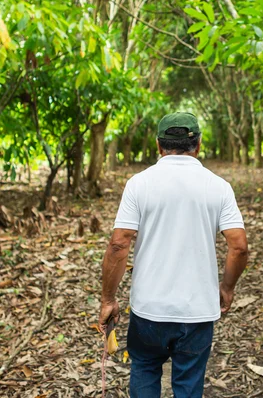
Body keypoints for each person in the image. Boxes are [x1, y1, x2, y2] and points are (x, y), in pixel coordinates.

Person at [99, 112, 249, 398]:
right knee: (188, 382)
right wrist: (227, 288)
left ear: (159, 145)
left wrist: (108, 299)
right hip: (197, 312)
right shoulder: (218, 187)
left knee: (144, 368)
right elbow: (239, 246)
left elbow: (119, 244)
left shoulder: (139, 184)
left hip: (148, 309)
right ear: (199, 144)